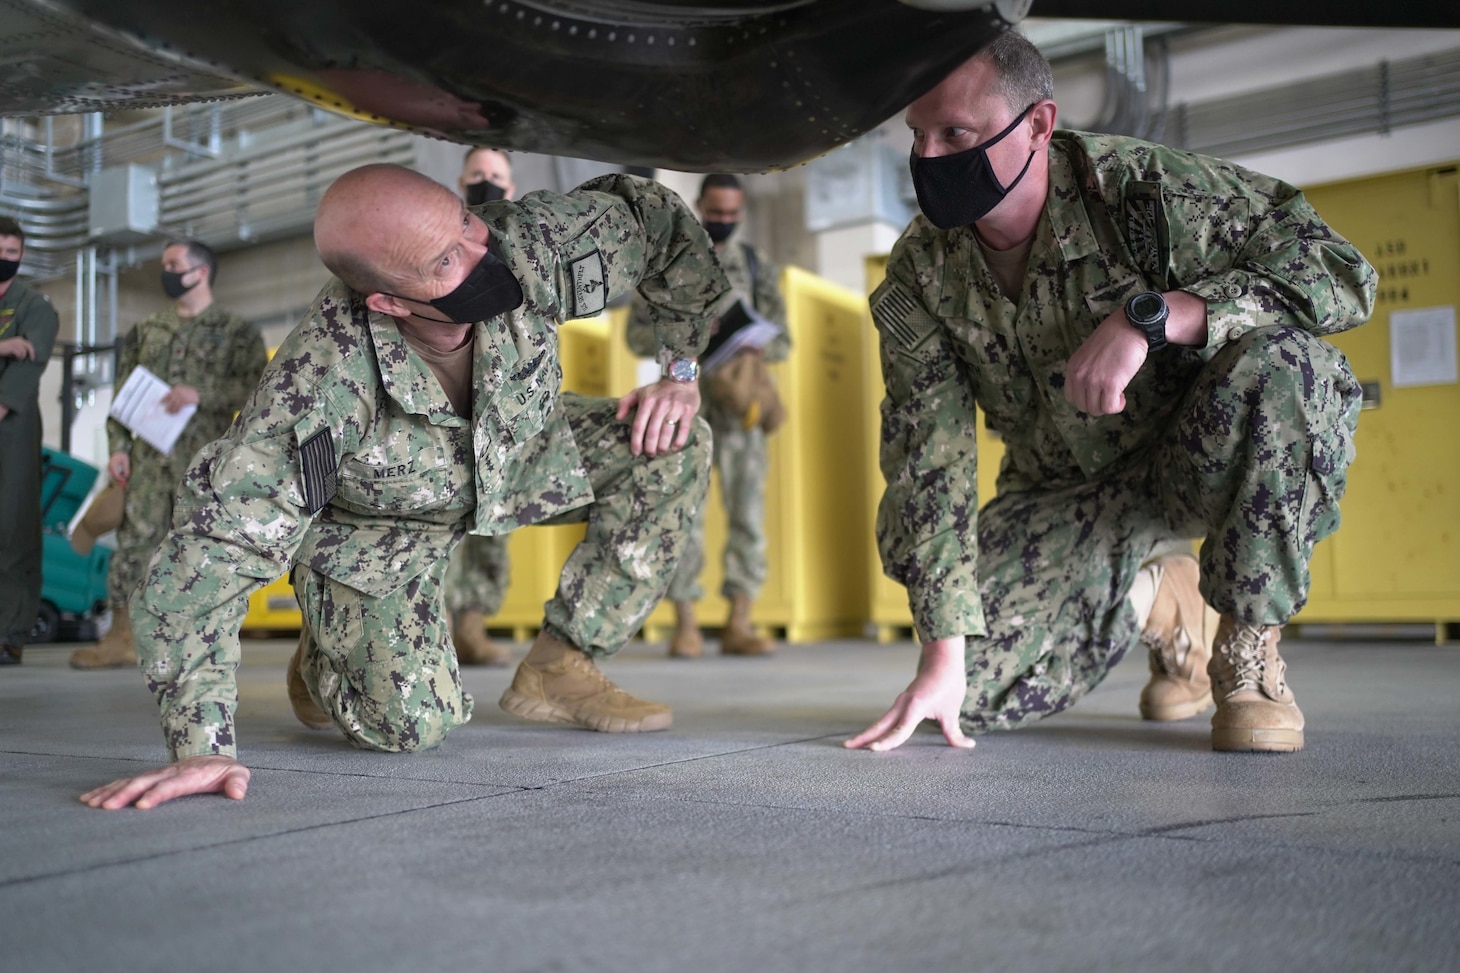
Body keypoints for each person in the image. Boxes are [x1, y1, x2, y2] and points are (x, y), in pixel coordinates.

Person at [81, 163, 727, 809]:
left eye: (467, 223)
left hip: (517, 451)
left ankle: (562, 662)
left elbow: (653, 219)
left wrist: (681, 367)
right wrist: (201, 747)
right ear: (389, 301)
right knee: (414, 726)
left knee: (672, 441)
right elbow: (208, 552)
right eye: (448, 261)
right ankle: (327, 653)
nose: (484, 253)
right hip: (377, 528)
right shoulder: (318, 384)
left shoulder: (530, 243)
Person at [847, 32, 1375, 756]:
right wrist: (942, 648)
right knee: (970, 688)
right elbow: (925, 459)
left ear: (1038, 124)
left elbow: (1340, 269)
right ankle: (1167, 601)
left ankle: (1247, 649)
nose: (930, 158)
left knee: (1288, 366)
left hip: (1200, 455)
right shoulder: (919, 273)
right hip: (1064, 493)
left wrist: (1154, 317)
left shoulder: (1141, 191)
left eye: (956, 134)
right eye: (919, 135)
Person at [69, 240, 266, 669]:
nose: (167, 271)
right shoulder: (149, 329)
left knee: (199, 549)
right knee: (134, 545)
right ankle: (122, 637)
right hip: (146, 461)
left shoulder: (237, 331)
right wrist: (118, 449)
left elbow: (258, 391)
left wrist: (202, 395)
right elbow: (123, 396)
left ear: (200, 272)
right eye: (164, 265)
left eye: (174, 265)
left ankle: (195, 639)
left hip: (204, 463)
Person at [627, 174, 790, 658]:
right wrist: (691, 342)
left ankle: (740, 620)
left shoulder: (758, 267)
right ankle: (687, 624)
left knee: (748, 516)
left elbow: (784, 338)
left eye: (731, 215)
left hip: (740, 409)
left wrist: (751, 341)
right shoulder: (668, 264)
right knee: (683, 515)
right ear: (699, 206)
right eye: (715, 213)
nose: (722, 221)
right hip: (684, 407)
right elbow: (636, 337)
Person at [443, 146, 518, 667]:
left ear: (511, 189)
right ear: (460, 183)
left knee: (493, 522)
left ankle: (473, 625)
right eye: (478, 175)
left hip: (503, 411)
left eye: (496, 177)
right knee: (441, 517)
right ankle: (437, 628)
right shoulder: (439, 244)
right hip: (447, 404)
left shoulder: (525, 249)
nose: (487, 183)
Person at [0, 216, 60, 665]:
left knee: (13, 526)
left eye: (11, 253)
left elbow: (29, 363)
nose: (4, 260)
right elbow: (17, 351)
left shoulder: (35, 308)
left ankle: (10, 632)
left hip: (10, 429)